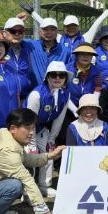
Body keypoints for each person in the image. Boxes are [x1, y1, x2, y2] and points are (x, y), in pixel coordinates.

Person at [24, 61, 72, 197]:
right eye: (53, 75)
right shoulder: (36, 94)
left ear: (65, 78)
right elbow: (29, 121)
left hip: (41, 129)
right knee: (30, 156)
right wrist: (31, 144)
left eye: (61, 75)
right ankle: (28, 192)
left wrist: (51, 139)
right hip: (26, 130)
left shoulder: (65, 94)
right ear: (47, 77)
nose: (57, 78)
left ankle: (44, 186)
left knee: (49, 153)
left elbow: (59, 119)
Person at [1, 17, 34, 103]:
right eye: (13, 31)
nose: (17, 34)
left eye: (20, 31)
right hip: (5, 99)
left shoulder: (27, 48)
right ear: (4, 33)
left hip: (25, 97)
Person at [67, 43, 102, 112]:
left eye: (89, 54)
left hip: (88, 106)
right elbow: (63, 90)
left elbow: (98, 88)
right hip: (69, 106)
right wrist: (74, 110)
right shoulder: (67, 69)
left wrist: (91, 103)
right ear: (77, 55)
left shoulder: (96, 70)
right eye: (82, 53)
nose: (85, 56)